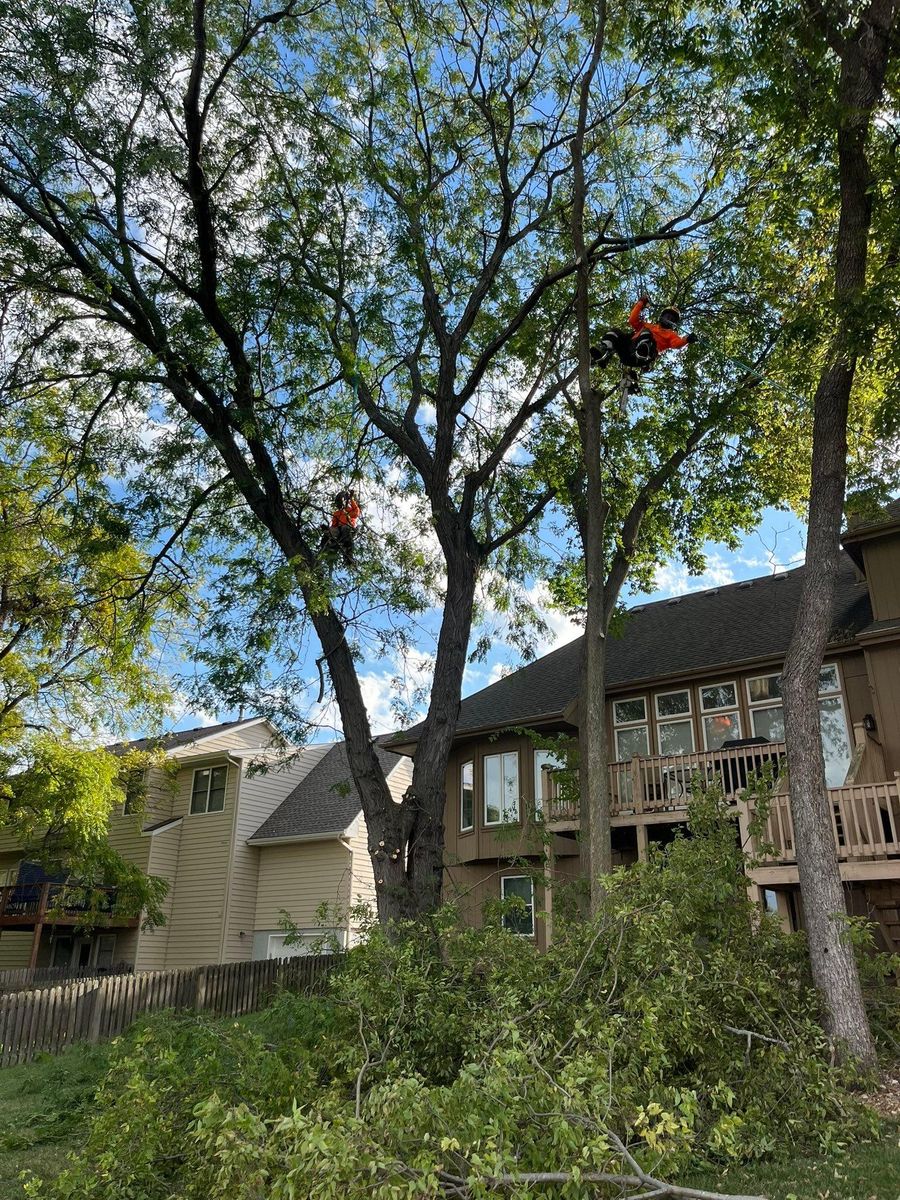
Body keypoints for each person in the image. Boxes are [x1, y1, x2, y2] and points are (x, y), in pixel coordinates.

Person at [590, 296, 697, 394]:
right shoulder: (647, 325)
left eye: (672, 318)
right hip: (628, 350)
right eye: (667, 316)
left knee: (646, 333)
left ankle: (641, 352)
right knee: (615, 332)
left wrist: (687, 339)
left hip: (645, 356)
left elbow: (677, 344)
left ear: (674, 323)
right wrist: (641, 303)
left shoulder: (671, 334)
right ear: (662, 316)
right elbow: (633, 320)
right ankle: (603, 353)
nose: (669, 318)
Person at [319, 489, 361, 564]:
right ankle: (324, 547)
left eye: (340, 502)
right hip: (338, 529)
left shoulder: (351, 510)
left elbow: (356, 512)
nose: (339, 504)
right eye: (338, 502)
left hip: (348, 528)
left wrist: (351, 498)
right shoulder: (337, 513)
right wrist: (328, 530)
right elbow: (334, 525)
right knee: (329, 531)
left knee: (346, 529)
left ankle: (348, 556)